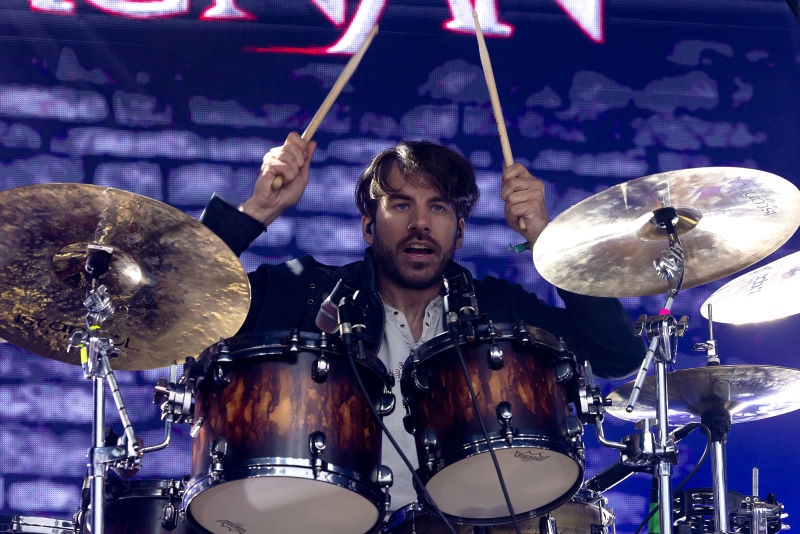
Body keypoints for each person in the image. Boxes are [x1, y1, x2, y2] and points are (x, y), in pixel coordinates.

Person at [199, 131, 645, 518]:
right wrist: (258, 209)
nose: (420, 224)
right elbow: (181, 301)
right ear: (369, 227)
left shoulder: (499, 308)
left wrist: (546, 239)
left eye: (438, 207)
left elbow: (617, 356)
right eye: (400, 204)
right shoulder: (304, 292)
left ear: (460, 232)